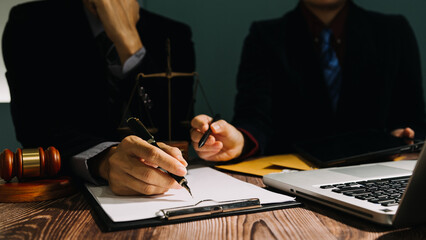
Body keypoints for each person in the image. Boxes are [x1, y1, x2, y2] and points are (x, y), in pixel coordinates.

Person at [190, 0, 426, 162]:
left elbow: (412, 116)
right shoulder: (265, 37)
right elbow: (255, 118)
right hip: (291, 179)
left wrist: (400, 136)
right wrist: (238, 141)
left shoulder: (394, 32)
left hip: (377, 170)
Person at [3, 0, 195, 195]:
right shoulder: (29, 22)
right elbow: (34, 129)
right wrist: (102, 160)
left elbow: (175, 129)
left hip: (161, 190)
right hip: (65, 194)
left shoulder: (174, 34)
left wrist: (130, 45)